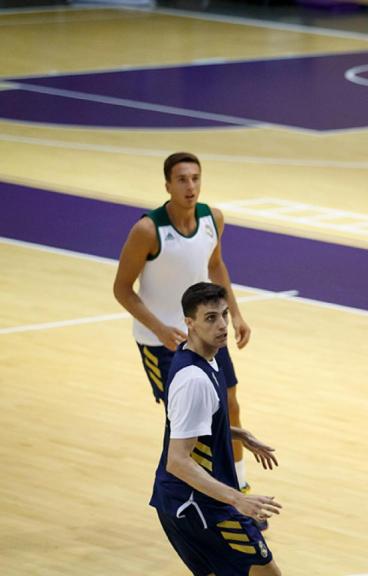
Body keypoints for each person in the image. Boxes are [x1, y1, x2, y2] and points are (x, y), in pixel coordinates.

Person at [113, 152, 260, 510]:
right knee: (187, 424)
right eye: (182, 179)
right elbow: (121, 289)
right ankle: (183, 498)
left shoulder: (213, 219)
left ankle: (237, 488)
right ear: (167, 185)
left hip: (206, 333)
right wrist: (160, 328)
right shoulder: (148, 230)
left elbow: (215, 265)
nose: (190, 186)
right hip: (160, 342)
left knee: (230, 404)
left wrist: (235, 314)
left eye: (195, 178)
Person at [150, 282, 282, 576]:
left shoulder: (202, 358)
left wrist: (235, 433)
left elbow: (195, 424)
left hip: (181, 502)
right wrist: (239, 499)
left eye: (224, 314)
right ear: (190, 323)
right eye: (211, 318)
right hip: (201, 506)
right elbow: (178, 460)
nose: (223, 325)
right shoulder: (194, 379)